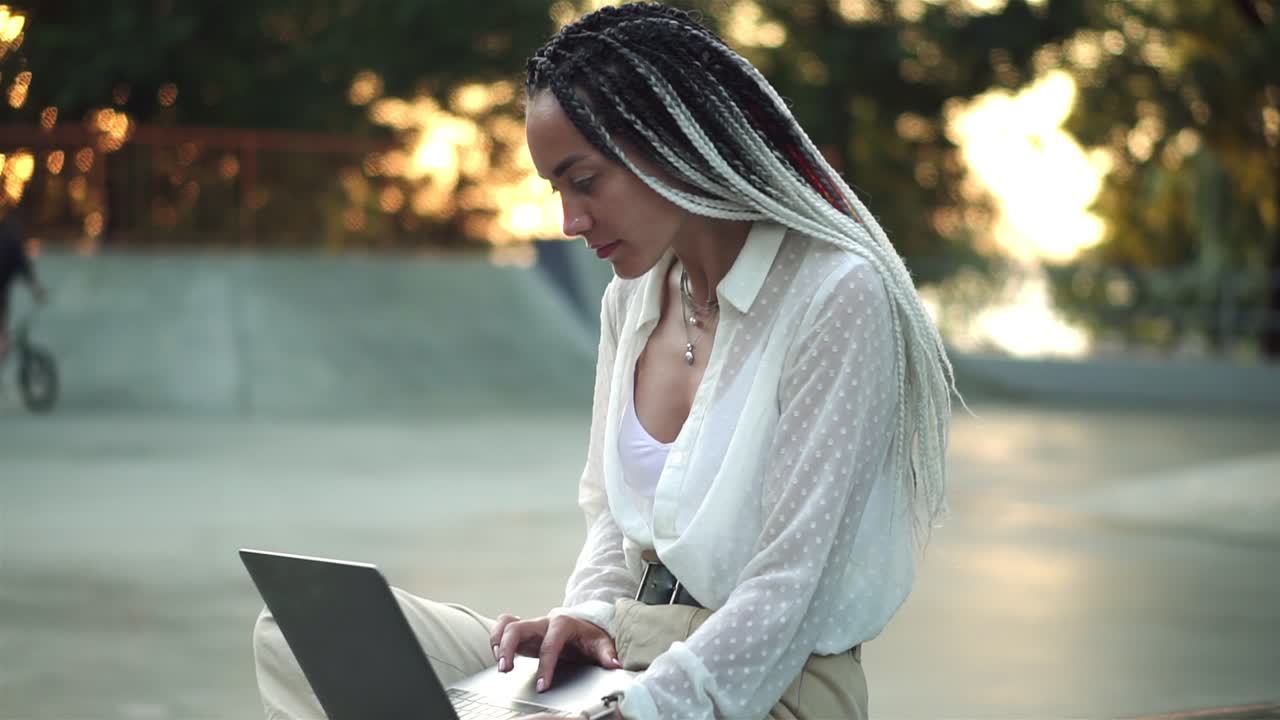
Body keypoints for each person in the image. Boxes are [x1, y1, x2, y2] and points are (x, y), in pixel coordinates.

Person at [253, 4, 955, 719]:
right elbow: (613, 521)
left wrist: (639, 709)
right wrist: (585, 618)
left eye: (583, 181)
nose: (569, 220)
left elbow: (791, 587)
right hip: (624, 651)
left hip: (767, 682)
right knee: (302, 637)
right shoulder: (633, 300)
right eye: (555, 189)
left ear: (672, 142)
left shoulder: (836, 294)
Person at [0, 208, 47, 365]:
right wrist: (37, 289)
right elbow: (24, 268)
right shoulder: (12, 242)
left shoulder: (7, 240)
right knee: (2, 338)